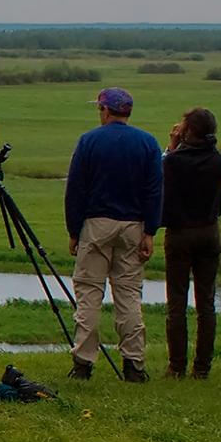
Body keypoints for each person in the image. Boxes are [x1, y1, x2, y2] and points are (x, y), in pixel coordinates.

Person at [64, 87, 162, 383]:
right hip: (133, 225)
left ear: (105, 111)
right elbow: (155, 190)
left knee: (89, 293)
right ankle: (134, 364)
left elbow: (76, 189)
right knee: (129, 295)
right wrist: (150, 231)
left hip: (96, 224)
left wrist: (73, 230)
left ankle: (83, 363)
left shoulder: (89, 141)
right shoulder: (147, 143)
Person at [160, 107, 221, 380]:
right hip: (210, 231)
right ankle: (202, 367)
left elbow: (162, 172)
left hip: (180, 233)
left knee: (176, 301)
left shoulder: (174, 161)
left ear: (189, 130)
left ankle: (176, 365)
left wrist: (173, 145)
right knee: (206, 302)